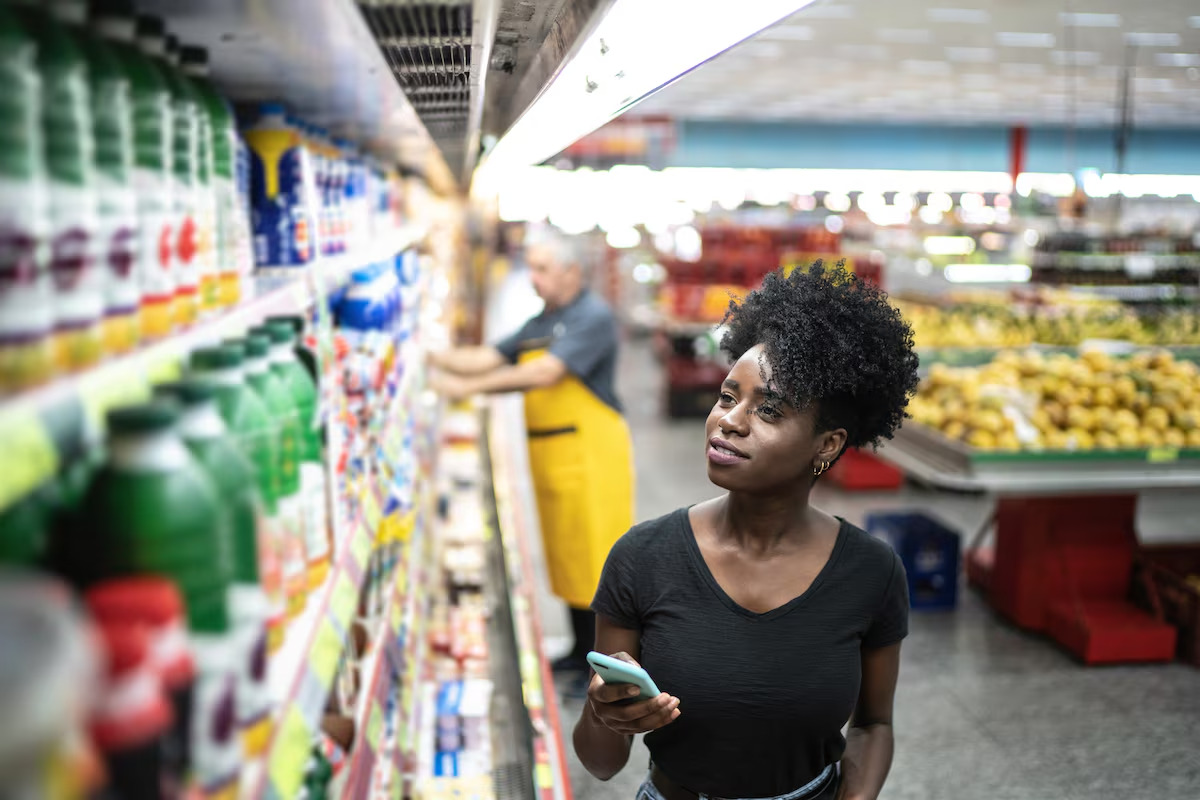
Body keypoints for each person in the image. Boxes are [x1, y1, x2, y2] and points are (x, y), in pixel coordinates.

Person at [574, 262, 919, 800]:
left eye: (771, 411)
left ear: (827, 445)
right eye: (729, 396)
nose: (729, 421)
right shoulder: (641, 558)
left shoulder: (871, 571)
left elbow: (874, 725)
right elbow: (600, 763)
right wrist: (605, 713)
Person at [429, 235, 635, 681]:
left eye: (542, 269)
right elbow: (489, 356)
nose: (533, 279)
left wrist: (469, 389)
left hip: (591, 456)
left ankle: (603, 669)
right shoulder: (544, 319)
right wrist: (431, 357)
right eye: (532, 268)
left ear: (570, 272)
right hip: (554, 453)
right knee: (565, 555)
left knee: (596, 562)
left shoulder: (592, 317)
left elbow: (545, 372)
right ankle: (580, 650)